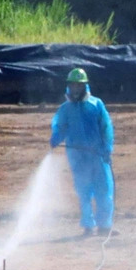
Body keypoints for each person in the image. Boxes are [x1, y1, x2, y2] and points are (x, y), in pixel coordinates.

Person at [50, 68, 115, 235]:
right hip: (77, 156)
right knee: (83, 191)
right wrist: (56, 136)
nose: (76, 89)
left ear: (85, 86)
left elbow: (106, 127)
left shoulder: (96, 105)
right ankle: (88, 226)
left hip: (98, 155)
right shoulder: (65, 109)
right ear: (68, 87)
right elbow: (60, 127)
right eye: (73, 85)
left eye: (79, 85)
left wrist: (107, 147)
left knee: (104, 189)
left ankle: (105, 226)